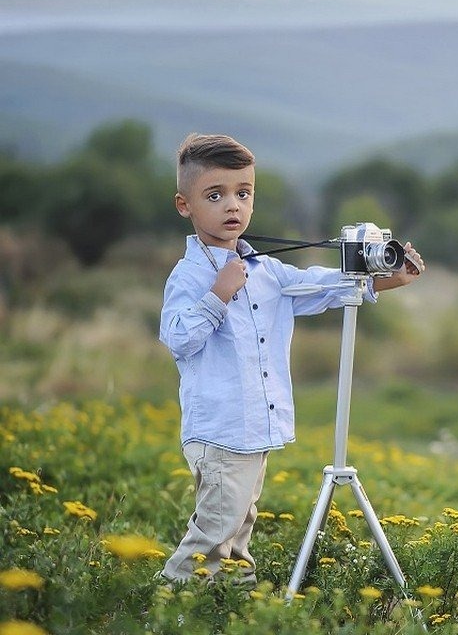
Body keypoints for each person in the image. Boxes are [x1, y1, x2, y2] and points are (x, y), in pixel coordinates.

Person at [158, 133, 425, 585]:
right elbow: (178, 339)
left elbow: (318, 286)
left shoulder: (267, 269)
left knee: (239, 527)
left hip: (255, 428)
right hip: (221, 430)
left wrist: (385, 279)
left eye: (243, 194)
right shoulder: (190, 275)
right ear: (185, 205)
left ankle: (232, 603)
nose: (232, 207)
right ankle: (166, 608)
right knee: (214, 531)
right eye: (215, 195)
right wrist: (218, 295)